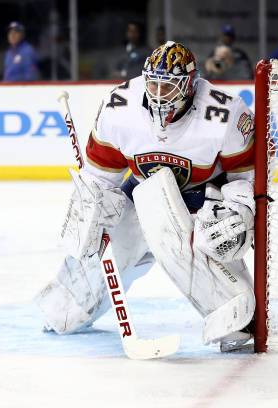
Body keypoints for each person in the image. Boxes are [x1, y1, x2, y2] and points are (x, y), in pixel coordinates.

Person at [35, 42, 256, 352]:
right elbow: (101, 175)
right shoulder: (120, 106)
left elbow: (246, 177)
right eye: (153, 83)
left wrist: (238, 211)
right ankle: (69, 303)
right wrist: (92, 204)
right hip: (141, 190)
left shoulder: (225, 113)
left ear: (190, 85)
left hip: (202, 199)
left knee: (198, 254)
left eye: (168, 86)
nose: (158, 93)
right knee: (97, 257)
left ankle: (231, 314)